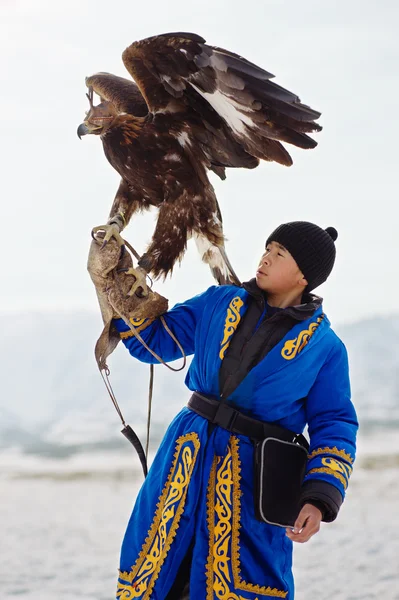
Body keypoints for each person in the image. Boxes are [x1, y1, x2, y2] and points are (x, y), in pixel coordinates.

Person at [109, 221, 358, 600]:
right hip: (185, 455)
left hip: (253, 478)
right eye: (267, 247)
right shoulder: (218, 301)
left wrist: (319, 497)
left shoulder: (325, 347)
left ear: (304, 275)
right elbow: (155, 342)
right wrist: (121, 294)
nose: (265, 258)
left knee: (242, 578)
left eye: (279, 253)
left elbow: (334, 423)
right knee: (160, 569)